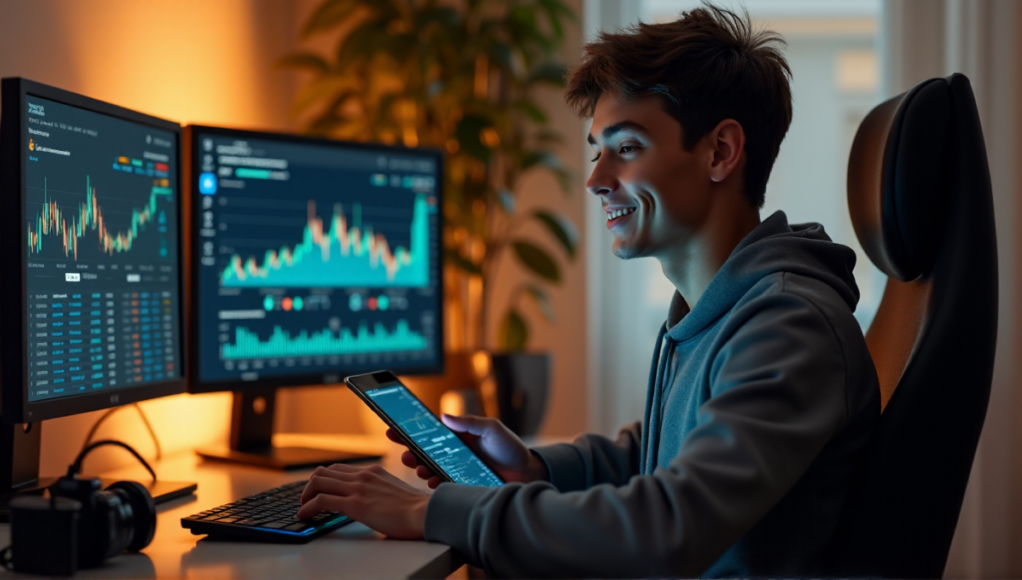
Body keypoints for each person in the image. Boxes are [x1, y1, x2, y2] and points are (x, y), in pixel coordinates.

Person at [297, 4, 879, 577]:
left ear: (720, 151)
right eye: (598, 151)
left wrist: (433, 511)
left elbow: (666, 529)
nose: (597, 180)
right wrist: (534, 467)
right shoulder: (723, 312)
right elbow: (658, 455)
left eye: (626, 149)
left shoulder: (787, 325)